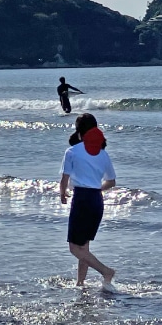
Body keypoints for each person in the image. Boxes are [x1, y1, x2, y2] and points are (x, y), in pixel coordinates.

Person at [59, 112, 117, 288]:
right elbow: (111, 182)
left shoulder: (72, 151)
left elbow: (64, 179)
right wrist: (96, 189)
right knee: (84, 247)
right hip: (97, 200)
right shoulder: (103, 154)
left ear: (79, 131)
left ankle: (106, 271)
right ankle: (80, 283)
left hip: (82, 199)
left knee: (74, 248)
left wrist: (62, 194)